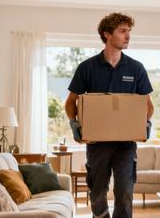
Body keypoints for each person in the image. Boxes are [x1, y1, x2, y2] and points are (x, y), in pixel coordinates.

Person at [65, 12, 154, 218]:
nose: (128, 36)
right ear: (107, 35)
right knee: (97, 192)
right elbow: (71, 102)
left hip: (126, 144)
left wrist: (146, 123)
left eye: (129, 31)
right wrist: (74, 123)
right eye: (122, 31)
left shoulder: (136, 68)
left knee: (124, 191)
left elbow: (148, 105)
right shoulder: (87, 68)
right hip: (97, 143)